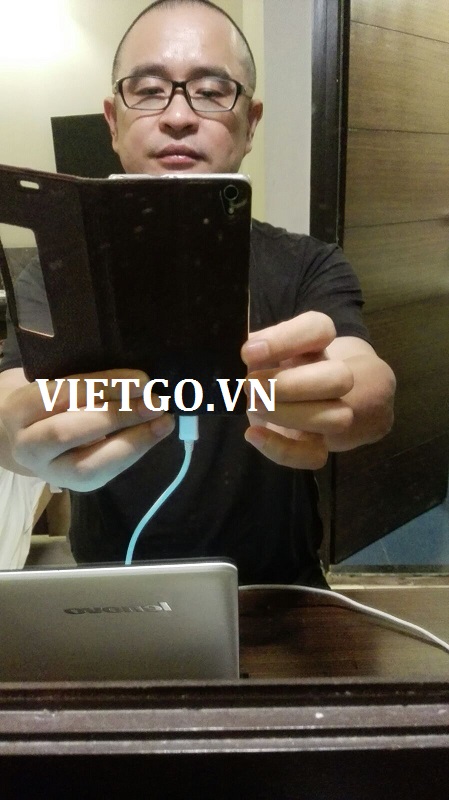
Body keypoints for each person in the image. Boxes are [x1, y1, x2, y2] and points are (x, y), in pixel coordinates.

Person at [0, 0, 395, 587]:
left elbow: (365, 380)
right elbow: (9, 394)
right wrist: (13, 435)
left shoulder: (309, 263)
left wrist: (358, 400)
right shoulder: (55, 272)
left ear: (251, 123)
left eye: (211, 92)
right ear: (112, 121)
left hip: (278, 596)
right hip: (111, 595)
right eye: (149, 90)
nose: (179, 116)